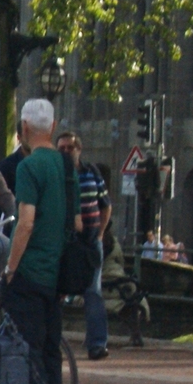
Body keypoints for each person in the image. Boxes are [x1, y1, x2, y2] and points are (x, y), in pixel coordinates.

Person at [2, 99, 72, 384]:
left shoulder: (29, 167)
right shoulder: (65, 163)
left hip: (31, 269)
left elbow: (25, 222)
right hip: (57, 269)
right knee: (50, 349)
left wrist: (10, 269)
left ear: (24, 128)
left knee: (26, 346)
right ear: (54, 125)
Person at [59, 131, 113, 360]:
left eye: (69, 148)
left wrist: (100, 233)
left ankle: (97, 344)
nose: (65, 152)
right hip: (65, 243)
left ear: (79, 149)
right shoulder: (57, 174)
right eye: (61, 148)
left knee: (93, 292)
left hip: (90, 242)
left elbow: (105, 204)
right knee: (58, 290)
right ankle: (53, 340)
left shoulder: (91, 172)